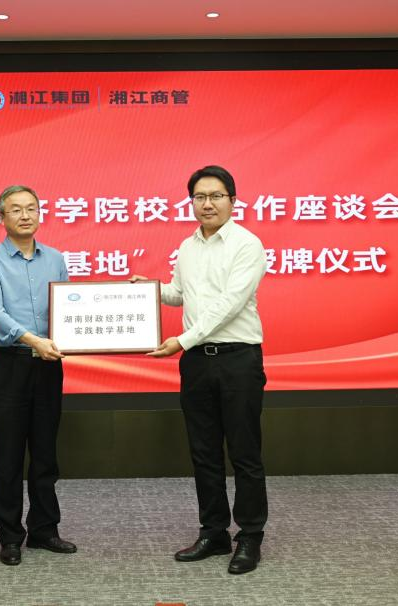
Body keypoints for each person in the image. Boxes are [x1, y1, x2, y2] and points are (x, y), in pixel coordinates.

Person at [135, 165, 268, 574]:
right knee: (204, 452)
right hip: (196, 362)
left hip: (238, 359)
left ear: (233, 200)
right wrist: (149, 291)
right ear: (191, 202)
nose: (207, 203)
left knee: (244, 453)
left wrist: (183, 339)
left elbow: (229, 304)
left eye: (216, 196)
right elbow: (181, 294)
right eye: (199, 197)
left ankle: (250, 536)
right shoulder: (187, 246)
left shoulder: (247, 245)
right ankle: (214, 532)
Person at [0, 184, 77, 566]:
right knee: (8, 454)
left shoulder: (56, 259)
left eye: (31, 208)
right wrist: (34, 340)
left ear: (40, 214)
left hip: (48, 365)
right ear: (2, 217)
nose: (25, 215)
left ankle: (44, 529)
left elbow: (68, 309)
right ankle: (10, 535)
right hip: (9, 365)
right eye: (16, 209)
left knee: (46, 452)